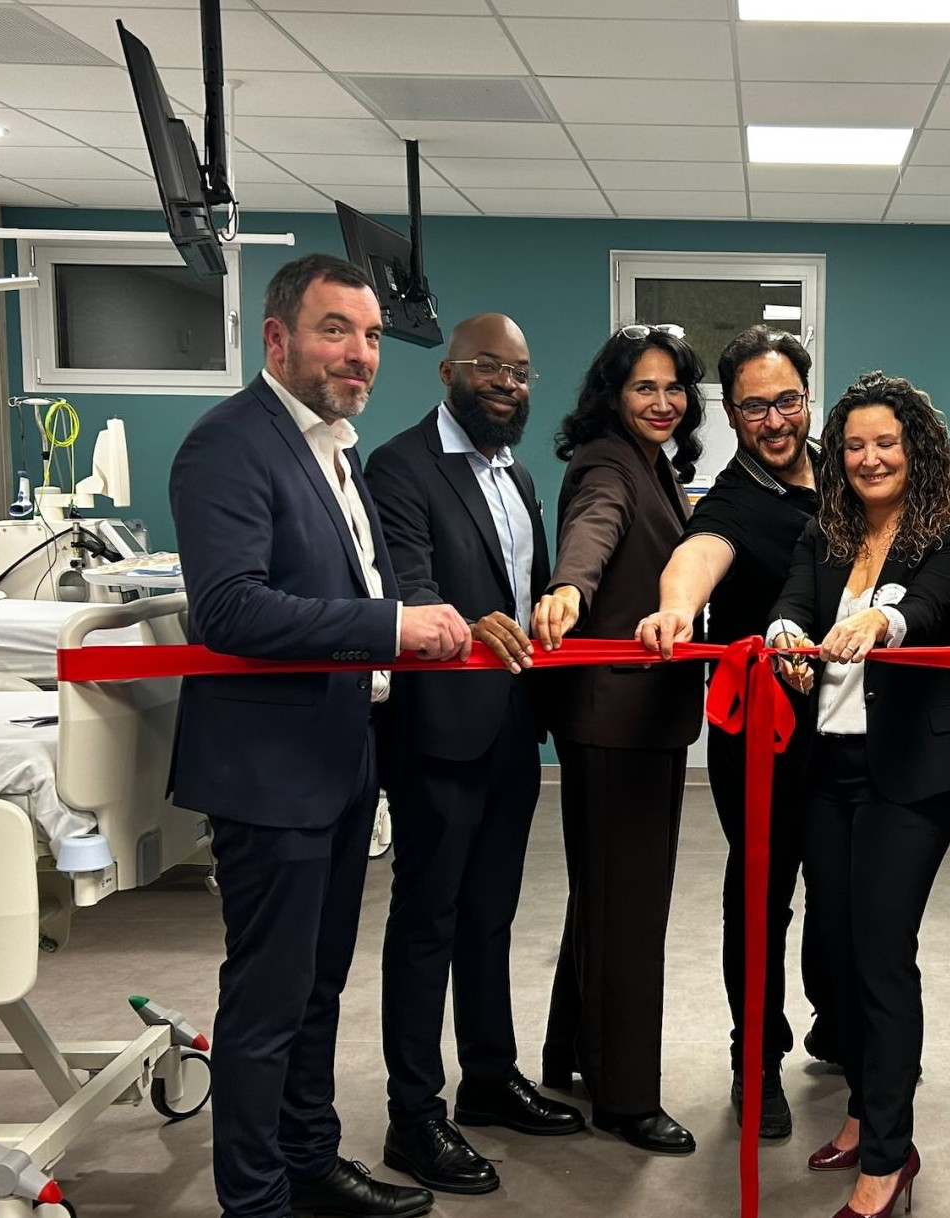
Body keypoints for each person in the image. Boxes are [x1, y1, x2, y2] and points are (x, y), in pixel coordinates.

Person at [170, 253, 472, 1218]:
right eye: (335, 329)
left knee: (316, 988)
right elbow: (229, 609)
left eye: (371, 336)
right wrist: (392, 627)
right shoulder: (229, 443)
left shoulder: (331, 448)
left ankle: (308, 1162)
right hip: (269, 774)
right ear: (277, 338)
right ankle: (255, 1199)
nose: (359, 354)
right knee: (267, 1000)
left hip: (340, 762)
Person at [364, 313, 583, 1198]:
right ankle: (413, 1114)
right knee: (428, 921)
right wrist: (461, 619)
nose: (507, 384)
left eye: (521, 372)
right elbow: (407, 585)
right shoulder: (400, 466)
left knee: (491, 913)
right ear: (448, 371)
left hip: (510, 728)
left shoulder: (517, 472)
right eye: (490, 366)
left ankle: (488, 1076)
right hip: (437, 731)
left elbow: (524, 591)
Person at [767, 372, 950, 1218]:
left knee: (882, 957)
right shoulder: (822, 534)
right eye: (853, 445)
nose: (869, 458)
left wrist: (874, 623)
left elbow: (927, 609)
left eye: (885, 442)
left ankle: (889, 1158)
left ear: (914, 449)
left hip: (908, 777)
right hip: (829, 772)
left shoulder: (948, 536)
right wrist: (785, 633)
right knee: (834, 954)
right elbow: (790, 603)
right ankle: (861, 1109)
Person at [635, 324, 828, 1140]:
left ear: (808, 397)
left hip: (849, 729)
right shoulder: (731, 501)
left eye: (787, 400)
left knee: (846, 889)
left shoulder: (846, 474)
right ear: (730, 413)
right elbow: (698, 554)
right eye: (754, 407)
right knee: (760, 899)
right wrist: (674, 608)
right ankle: (755, 1060)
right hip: (762, 739)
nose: (774, 421)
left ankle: (838, 1022)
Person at [531, 324, 707, 1155]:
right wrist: (569, 588)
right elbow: (593, 530)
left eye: (673, 388)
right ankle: (625, 1099)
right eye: (644, 387)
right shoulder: (608, 462)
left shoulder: (654, 463)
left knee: (603, 898)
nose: (663, 402)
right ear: (612, 394)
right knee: (628, 912)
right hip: (615, 722)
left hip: (640, 719)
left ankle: (568, 1052)